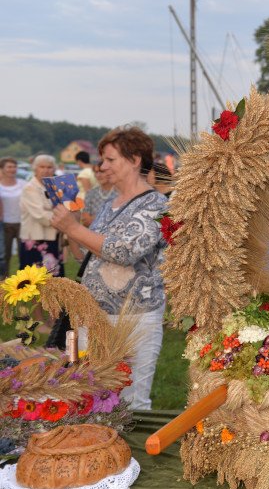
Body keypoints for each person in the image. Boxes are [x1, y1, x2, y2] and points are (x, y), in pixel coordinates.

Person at [52, 127, 168, 410]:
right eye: (102, 159)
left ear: (135, 160)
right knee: (91, 397)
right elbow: (89, 254)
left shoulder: (156, 204)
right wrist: (71, 228)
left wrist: (74, 229)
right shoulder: (109, 203)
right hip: (93, 317)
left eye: (110, 160)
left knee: (131, 403)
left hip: (134, 319)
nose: (102, 167)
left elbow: (123, 252)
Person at [19, 154, 64, 278]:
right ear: (35, 169)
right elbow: (40, 215)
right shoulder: (29, 188)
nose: (46, 170)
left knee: (54, 280)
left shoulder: (54, 187)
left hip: (53, 238)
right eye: (42, 167)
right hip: (36, 239)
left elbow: (65, 207)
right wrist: (64, 219)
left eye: (49, 167)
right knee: (33, 280)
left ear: (54, 169)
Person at [0, 157, 26, 275]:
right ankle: (3, 280)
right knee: (4, 255)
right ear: (2, 169)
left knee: (23, 254)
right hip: (4, 224)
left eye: (14, 166)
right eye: (9, 167)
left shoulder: (23, 184)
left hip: (22, 223)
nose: (12, 169)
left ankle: (23, 280)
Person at [82, 163, 114, 228]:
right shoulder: (90, 193)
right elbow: (85, 221)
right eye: (96, 172)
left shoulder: (120, 193)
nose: (98, 175)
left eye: (102, 171)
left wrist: (94, 218)